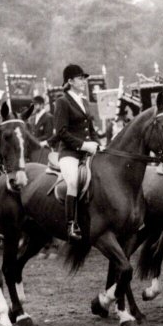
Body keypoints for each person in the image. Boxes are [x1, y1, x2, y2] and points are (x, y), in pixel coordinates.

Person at [54, 64, 99, 241]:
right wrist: (83, 145)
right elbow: (61, 132)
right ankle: (71, 224)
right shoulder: (62, 101)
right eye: (80, 78)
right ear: (70, 81)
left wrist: (97, 143)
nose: (84, 81)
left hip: (87, 152)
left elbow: (91, 129)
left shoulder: (84, 102)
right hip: (69, 154)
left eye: (84, 78)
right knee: (72, 181)